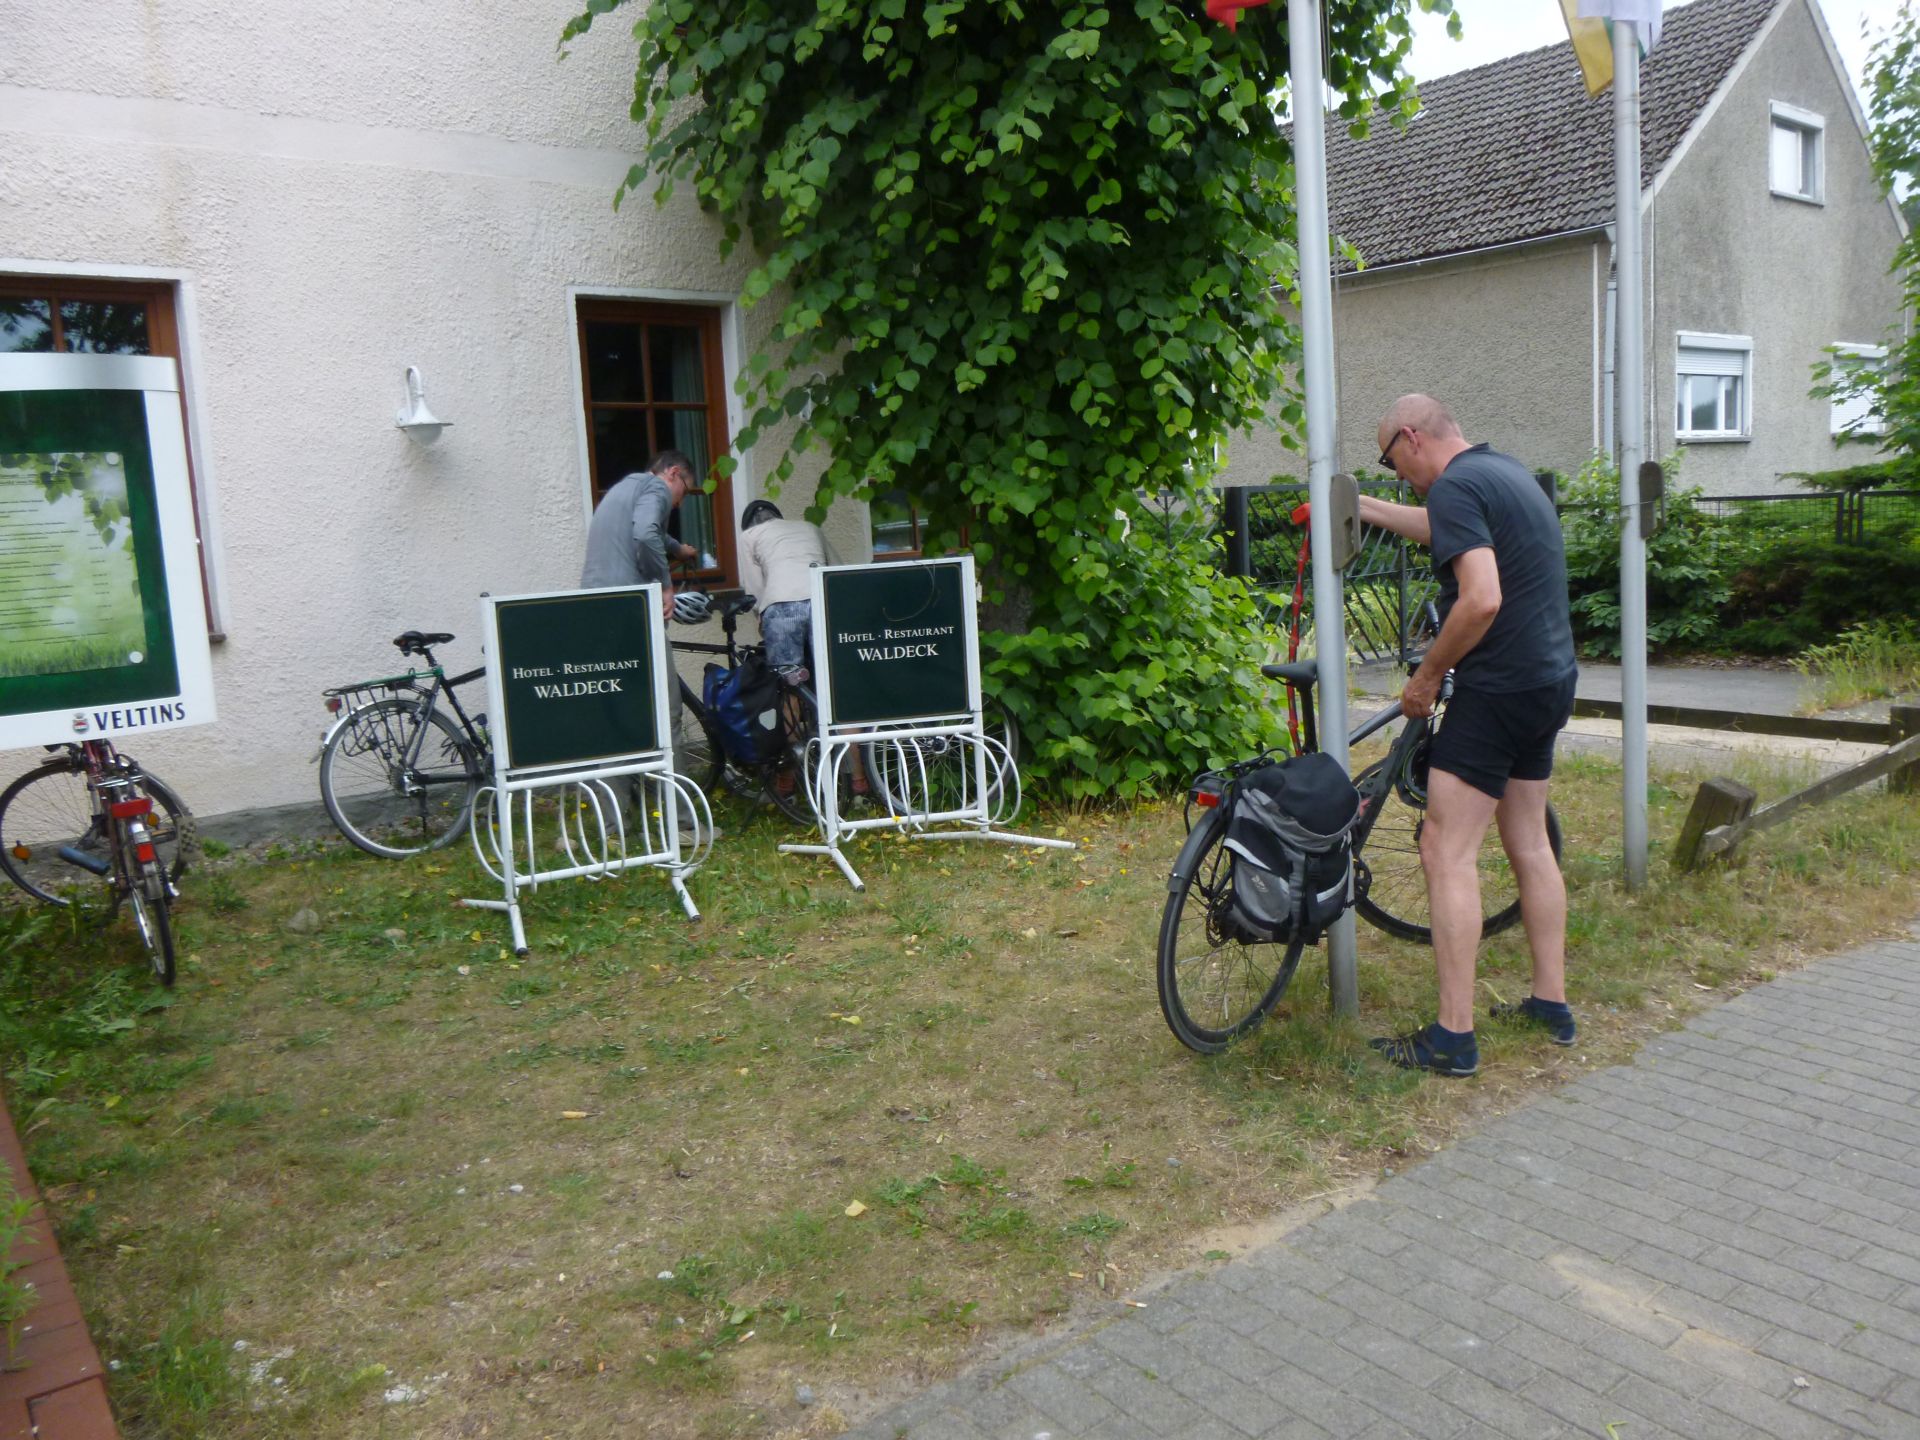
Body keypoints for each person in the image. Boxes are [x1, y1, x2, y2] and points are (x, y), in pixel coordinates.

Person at [1355, 395, 1578, 1077]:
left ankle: (1453, 1038)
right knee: (1530, 842)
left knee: (1445, 850)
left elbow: (1481, 598)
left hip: (1498, 689)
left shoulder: (1455, 485)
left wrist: (1427, 677)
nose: (1400, 478)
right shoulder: (1504, 473)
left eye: (1393, 463)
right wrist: (1362, 507)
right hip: (1549, 680)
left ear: (1411, 437)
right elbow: (1443, 527)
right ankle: (1551, 1004)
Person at [734, 499, 867, 797]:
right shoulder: (809, 527)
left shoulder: (749, 536)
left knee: (790, 691)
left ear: (749, 525)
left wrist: (761, 617)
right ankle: (859, 779)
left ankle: (789, 778)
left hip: (782, 607)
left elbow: (755, 588)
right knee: (836, 692)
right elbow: (838, 571)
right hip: (824, 600)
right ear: (779, 517)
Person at [580, 450, 701, 615]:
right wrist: (665, 586)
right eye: (685, 492)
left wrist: (678, 549)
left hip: (591, 596)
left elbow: (646, 528)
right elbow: (646, 535)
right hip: (625, 599)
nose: (680, 503)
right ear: (673, 473)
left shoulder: (623, 487)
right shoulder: (657, 487)